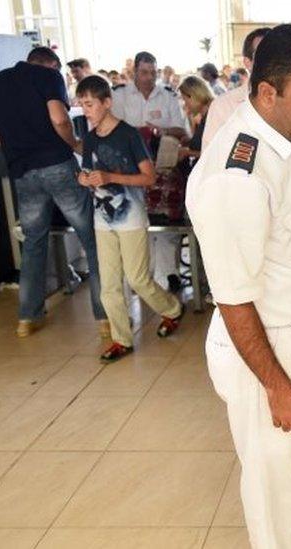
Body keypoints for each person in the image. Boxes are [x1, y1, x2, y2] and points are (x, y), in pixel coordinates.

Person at [186, 24, 291, 549]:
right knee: (273, 484)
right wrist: (277, 386)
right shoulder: (237, 175)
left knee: (290, 472)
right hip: (266, 347)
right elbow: (233, 299)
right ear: (266, 93)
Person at [0, 47, 107, 338]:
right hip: (57, 166)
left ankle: (27, 317)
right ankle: (104, 316)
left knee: (34, 242)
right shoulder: (49, 76)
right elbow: (59, 118)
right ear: (51, 64)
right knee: (91, 237)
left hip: (23, 172)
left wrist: (12, 145)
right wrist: (74, 144)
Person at [75, 76, 185, 362]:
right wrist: (85, 178)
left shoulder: (129, 135)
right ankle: (121, 339)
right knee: (108, 284)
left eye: (89, 104)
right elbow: (88, 171)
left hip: (131, 218)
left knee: (138, 279)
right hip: (102, 219)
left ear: (107, 103)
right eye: (81, 105)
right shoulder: (89, 138)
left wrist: (110, 177)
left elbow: (149, 177)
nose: (85, 110)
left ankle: (172, 309)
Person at [111, 51, 188, 291]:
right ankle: (143, 278)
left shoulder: (167, 97)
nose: (149, 77)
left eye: (153, 72)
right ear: (135, 72)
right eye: (144, 72)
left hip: (163, 170)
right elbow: (112, 128)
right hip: (129, 169)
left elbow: (181, 131)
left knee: (166, 224)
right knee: (138, 223)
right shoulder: (120, 96)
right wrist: (137, 133)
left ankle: (168, 275)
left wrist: (159, 131)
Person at [202, 27, 270, 149]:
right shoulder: (223, 106)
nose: (273, 61)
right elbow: (210, 161)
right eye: (264, 54)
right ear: (247, 62)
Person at [177, 75, 214, 163]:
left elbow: (216, 152)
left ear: (192, 96)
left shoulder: (213, 114)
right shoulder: (204, 115)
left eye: (184, 99)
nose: (184, 104)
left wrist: (188, 152)